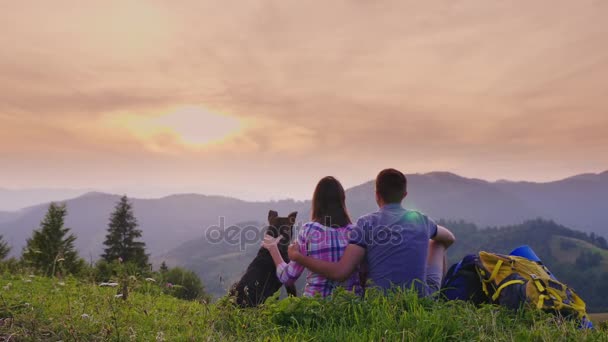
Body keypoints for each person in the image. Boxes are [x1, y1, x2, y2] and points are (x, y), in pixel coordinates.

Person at [288, 168, 455, 297]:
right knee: (438, 243)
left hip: (378, 300)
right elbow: (449, 238)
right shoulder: (420, 219)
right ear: (404, 195)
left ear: (377, 195)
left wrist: (299, 257)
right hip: (419, 299)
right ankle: (440, 301)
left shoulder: (365, 223)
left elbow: (341, 272)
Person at [262, 176, 362, 297]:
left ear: (317, 202)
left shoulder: (309, 230)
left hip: (314, 308)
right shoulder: (356, 231)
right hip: (351, 308)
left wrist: (273, 249)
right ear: (342, 200)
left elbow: (288, 278)